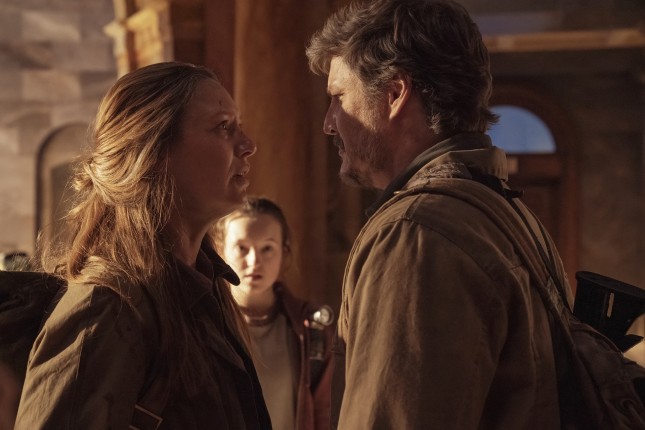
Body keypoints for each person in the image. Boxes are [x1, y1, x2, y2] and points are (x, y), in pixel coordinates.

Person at [306, 0, 573, 428]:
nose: (328, 122)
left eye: (339, 97)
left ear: (395, 93)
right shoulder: (509, 212)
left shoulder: (416, 233)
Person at [14, 62, 271, 429]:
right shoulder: (106, 309)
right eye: (223, 127)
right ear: (153, 150)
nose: (248, 145)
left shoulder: (207, 287)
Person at [215, 197, 334, 430]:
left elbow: (324, 413)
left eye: (267, 248)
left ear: (284, 252)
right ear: (221, 250)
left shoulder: (312, 329)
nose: (254, 261)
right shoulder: (205, 322)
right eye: (242, 248)